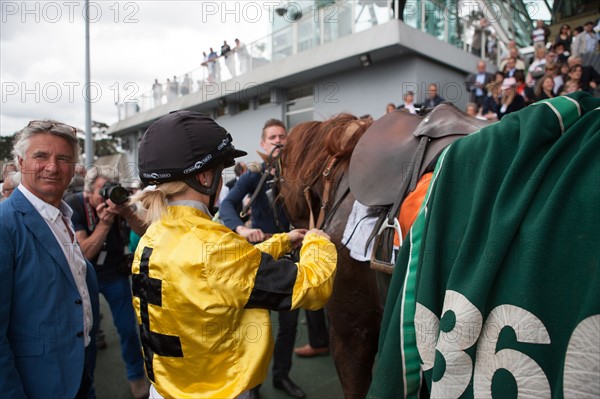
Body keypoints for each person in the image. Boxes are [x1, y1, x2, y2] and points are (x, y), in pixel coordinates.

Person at [130, 110, 337, 398]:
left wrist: (281, 241)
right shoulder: (215, 249)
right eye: (219, 170)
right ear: (204, 176)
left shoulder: (153, 235)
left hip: (166, 387)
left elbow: (224, 271)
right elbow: (314, 288)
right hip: (219, 390)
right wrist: (318, 243)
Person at [220, 119, 330, 398]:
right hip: (262, 253)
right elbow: (228, 203)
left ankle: (282, 377)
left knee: (289, 326)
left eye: (282, 136)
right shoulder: (255, 173)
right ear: (263, 143)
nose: (278, 140)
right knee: (255, 327)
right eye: (272, 137)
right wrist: (242, 229)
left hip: (291, 253)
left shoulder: (298, 171)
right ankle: (253, 385)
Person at [0, 119, 100, 398]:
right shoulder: (5, 225)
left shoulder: (64, 217)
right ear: (20, 162)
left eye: (63, 158)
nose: (52, 167)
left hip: (79, 375)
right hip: (36, 385)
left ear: (74, 168)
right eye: (40, 156)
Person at [64, 167, 150, 399]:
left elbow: (146, 232)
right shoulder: (74, 206)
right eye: (102, 191)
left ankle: (136, 377)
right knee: (86, 334)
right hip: (85, 276)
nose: (107, 196)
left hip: (115, 272)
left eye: (109, 189)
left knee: (127, 328)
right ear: (88, 192)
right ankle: (86, 383)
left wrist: (127, 213)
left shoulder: (119, 201)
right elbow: (85, 253)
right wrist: (104, 223)